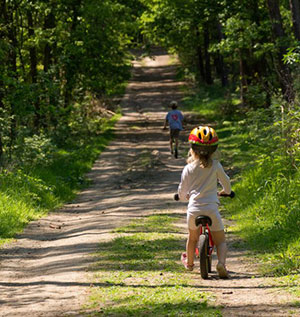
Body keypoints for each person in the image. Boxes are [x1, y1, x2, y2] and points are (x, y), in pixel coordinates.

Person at [177, 126, 231, 278]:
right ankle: (221, 263)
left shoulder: (188, 168)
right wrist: (226, 192)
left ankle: (189, 263)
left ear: (192, 149)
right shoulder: (216, 166)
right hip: (211, 209)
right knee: (221, 241)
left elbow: (182, 190)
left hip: (193, 210)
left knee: (192, 238)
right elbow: (226, 183)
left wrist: (183, 196)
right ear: (214, 150)